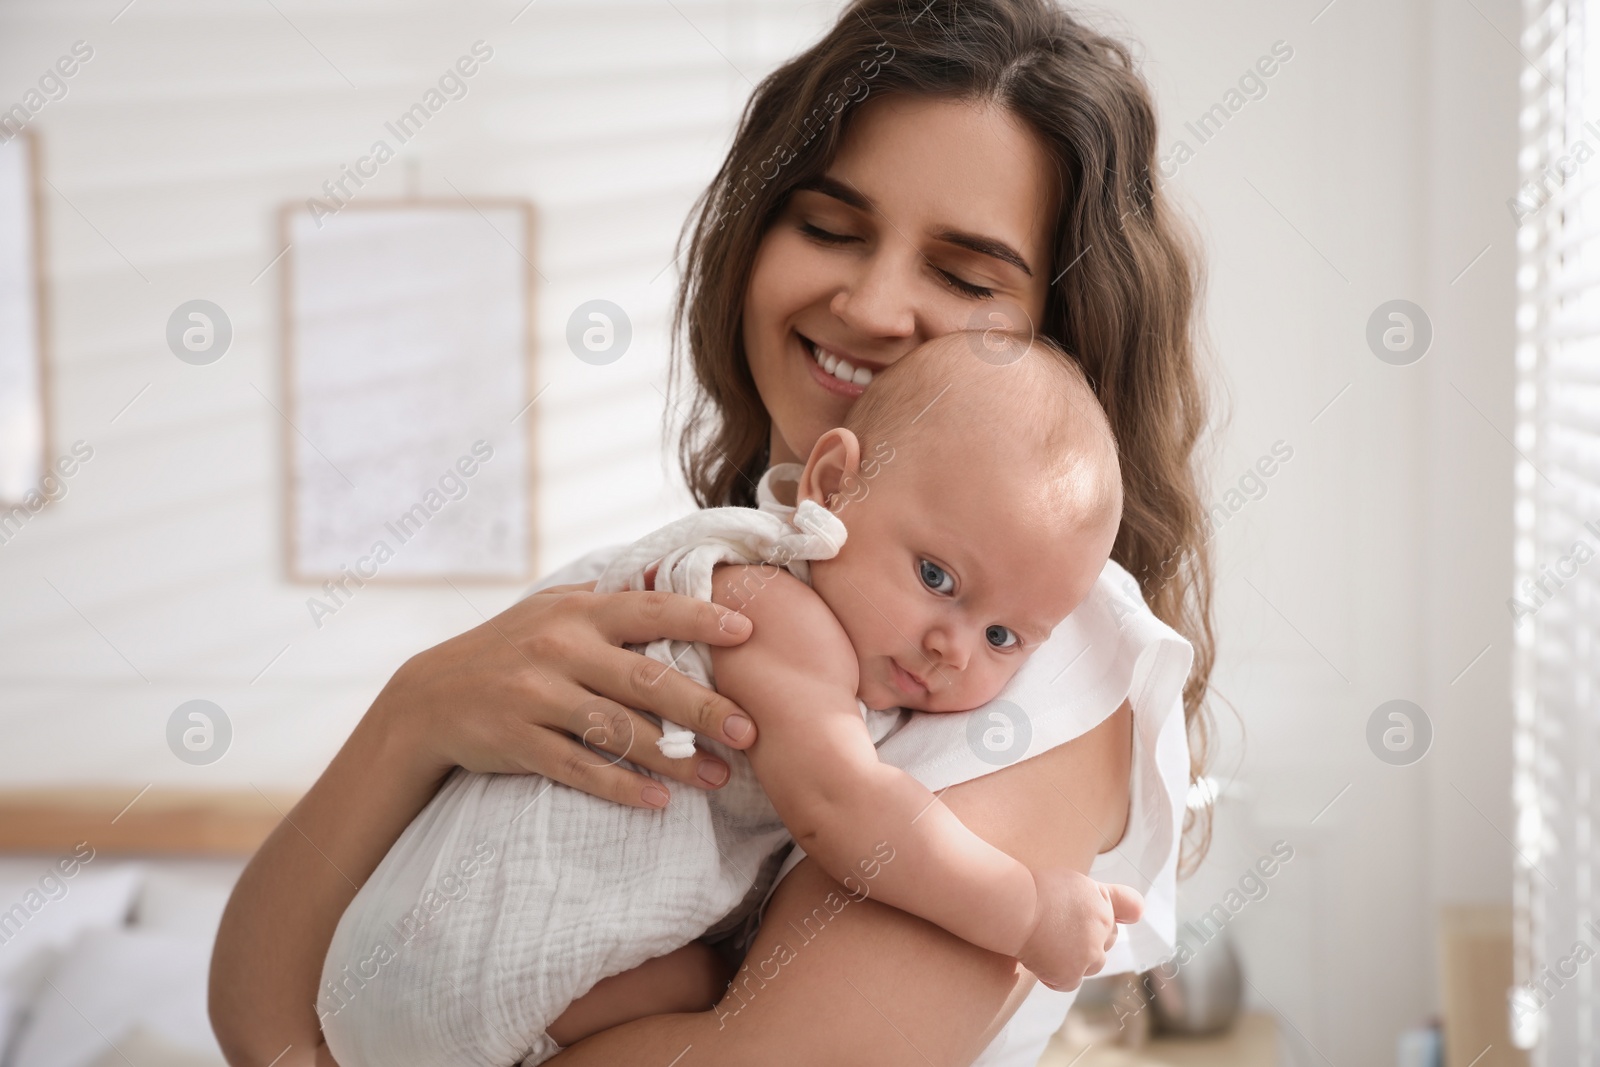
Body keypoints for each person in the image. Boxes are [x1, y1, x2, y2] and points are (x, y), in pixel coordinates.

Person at [210, 2, 1216, 1064]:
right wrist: (410, 715)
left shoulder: (1050, 672)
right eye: (828, 227)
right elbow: (266, 1028)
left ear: (1064, 334)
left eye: (965, 277)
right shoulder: (699, 583)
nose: (871, 303)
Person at [316, 334, 1139, 1067]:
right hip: (464, 961)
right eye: (936, 577)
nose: (951, 647)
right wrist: (1026, 909)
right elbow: (845, 808)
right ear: (831, 485)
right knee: (712, 978)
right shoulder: (777, 611)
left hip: (377, 998)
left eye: (1005, 638)